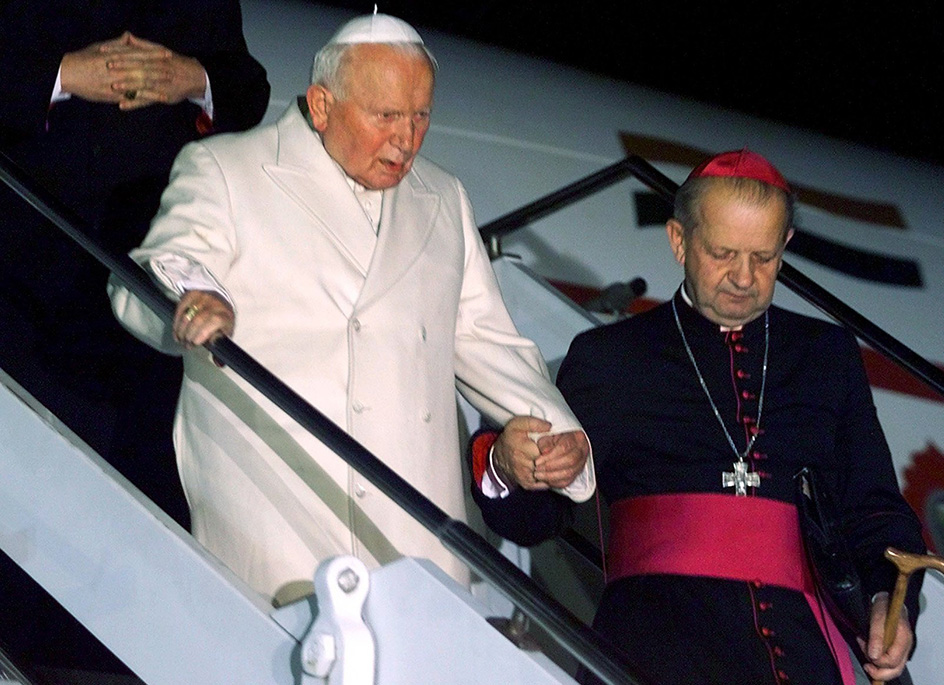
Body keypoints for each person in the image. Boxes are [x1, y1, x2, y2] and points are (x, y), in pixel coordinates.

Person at [109, 12, 594, 607]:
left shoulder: (443, 196)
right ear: (321, 105)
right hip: (280, 516)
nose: (407, 139)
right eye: (386, 115)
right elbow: (160, 267)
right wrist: (194, 300)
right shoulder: (229, 170)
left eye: (421, 116)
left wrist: (558, 436)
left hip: (415, 536)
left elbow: (486, 340)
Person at [474, 150, 927, 684]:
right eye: (723, 253)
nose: (743, 276)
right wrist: (508, 464)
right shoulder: (610, 358)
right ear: (678, 241)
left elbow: (872, 507)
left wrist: (889, 603)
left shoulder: (824, 355)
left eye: (763, 257)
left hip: (804, 650)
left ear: (784, 247)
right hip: (653, 647)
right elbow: (534, 520)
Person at [0, 0, 270, 676]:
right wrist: (64, 75)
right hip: (30, 272)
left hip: (156, 285)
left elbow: (247, 89)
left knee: (145, 486)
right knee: (39, 485)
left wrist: (194, 79)